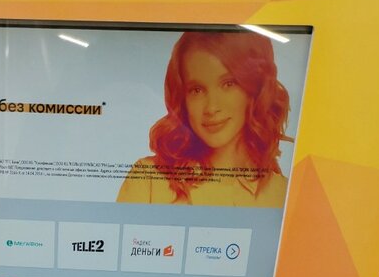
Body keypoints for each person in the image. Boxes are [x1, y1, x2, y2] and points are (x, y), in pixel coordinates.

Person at [117, 30, 291, 207]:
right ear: (183, 99)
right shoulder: (148, 179)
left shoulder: (282, 193)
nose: (211, 108)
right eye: (197, 90)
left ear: (255, 90)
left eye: (228, 84)